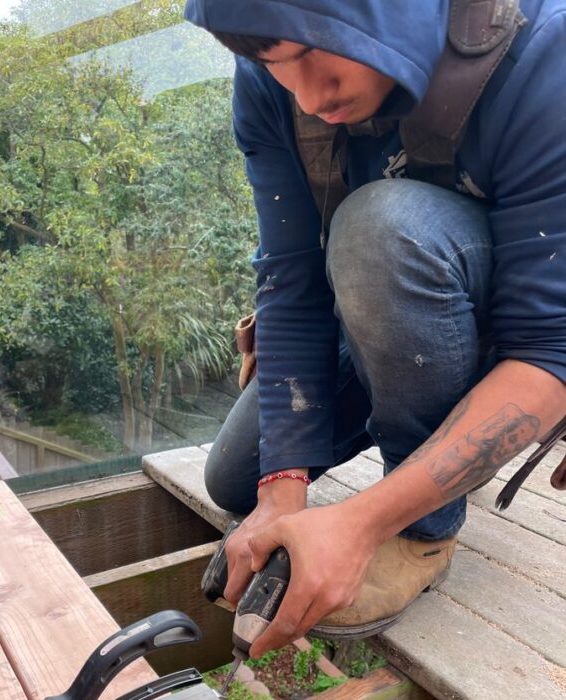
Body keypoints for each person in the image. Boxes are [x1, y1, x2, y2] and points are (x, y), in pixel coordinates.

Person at [184, 0, 566, 658]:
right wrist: (283, 492)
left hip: (510, 333)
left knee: (379, 229)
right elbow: (292, 279)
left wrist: (363, 522)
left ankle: (423, 530)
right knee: (237, 477)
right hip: (388, 316)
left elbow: (550, 350)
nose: (306, 95)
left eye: (311, 50)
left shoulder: (545, 53)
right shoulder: (272, 88)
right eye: (275, 63)